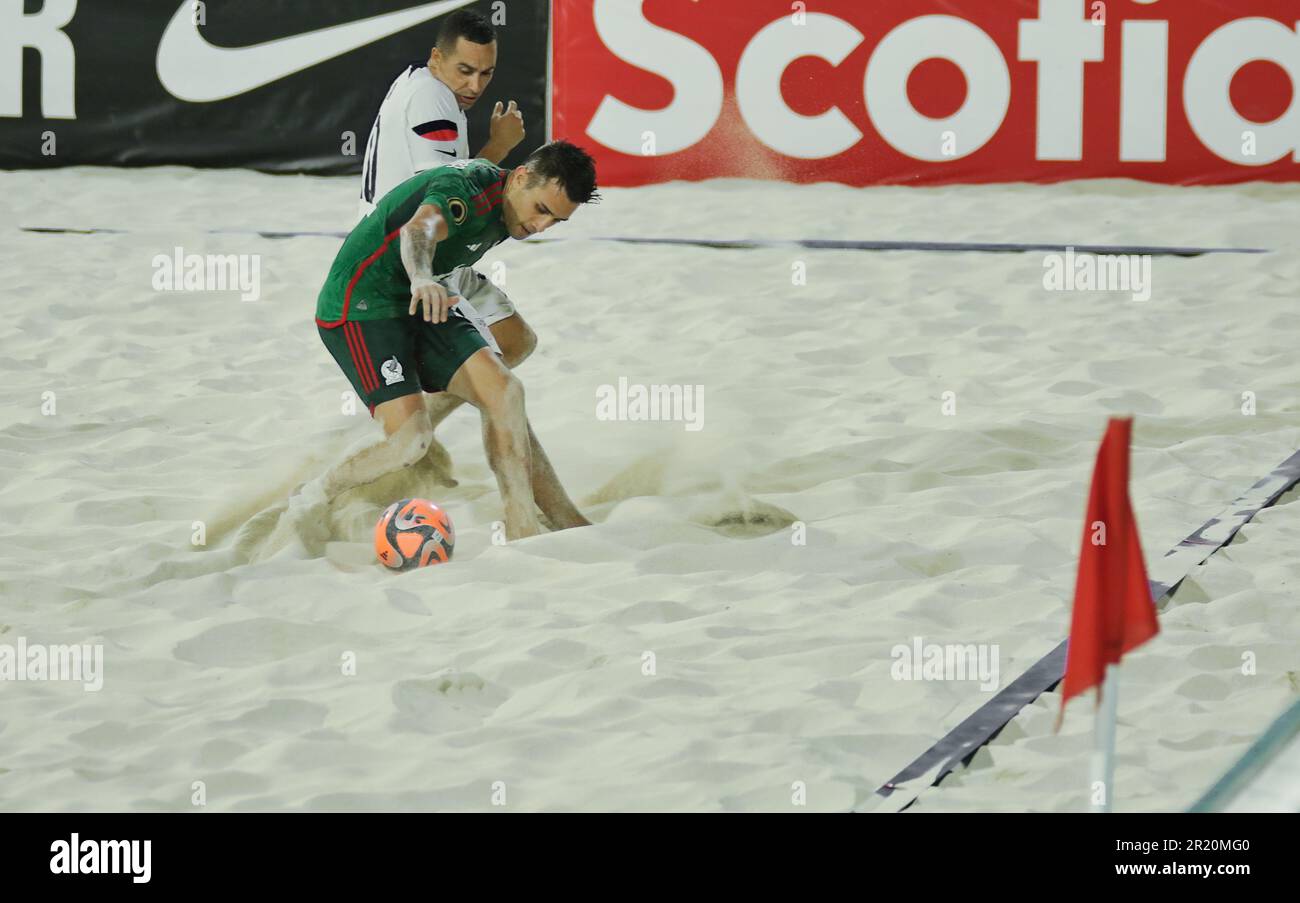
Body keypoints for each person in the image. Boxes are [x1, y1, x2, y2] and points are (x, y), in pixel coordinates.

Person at [304, 142, 600, 544]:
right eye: (542, 210)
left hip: (426, 295)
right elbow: (419, 228)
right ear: (520, 177)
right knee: (411, 443)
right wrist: (423, 276)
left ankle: (523, 532)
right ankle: (311, 498)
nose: (542, 227)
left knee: (506, 390)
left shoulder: (506, 201)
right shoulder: (465, 194)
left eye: (556, 221)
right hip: (361, 306)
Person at [357, 8, 535, 380]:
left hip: (422, 251)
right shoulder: (431, 97)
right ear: (437, 58)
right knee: (500, 370)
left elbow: (448, 186)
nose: (475, 86)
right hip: (405, 259)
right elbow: (447, 195)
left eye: (486, 73)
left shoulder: (421, 83)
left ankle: (425, 419)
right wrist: (499, 146)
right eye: (465, 70)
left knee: (517, 342)